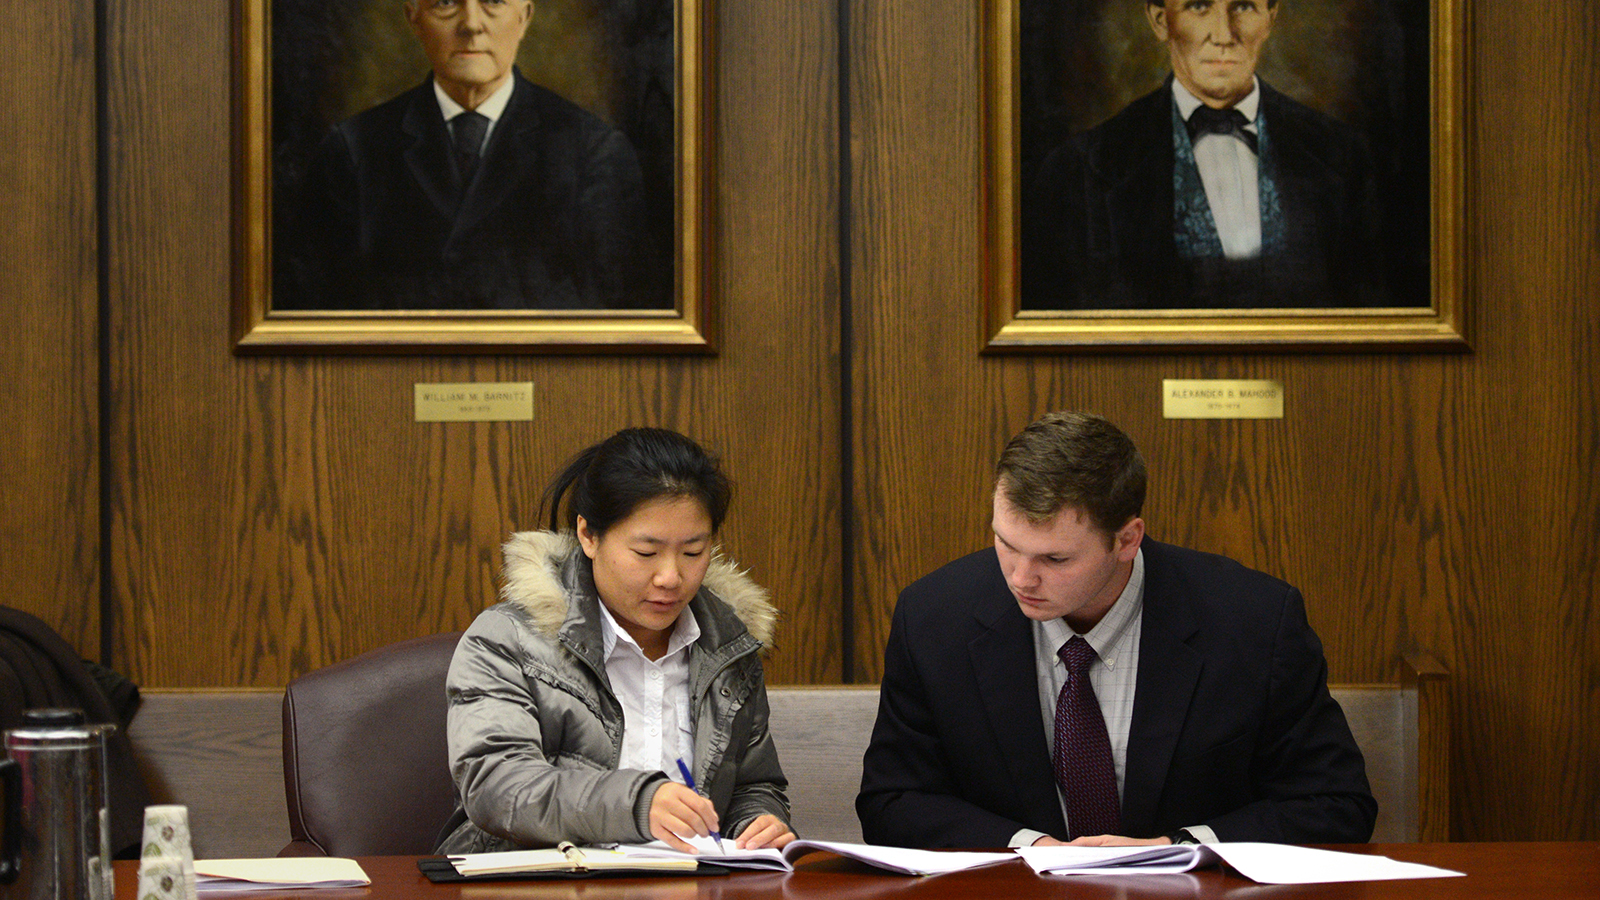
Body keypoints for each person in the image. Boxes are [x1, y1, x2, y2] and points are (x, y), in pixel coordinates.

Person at [857, 411, 1375, 848]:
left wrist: (1180, 848)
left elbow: (1335, 804)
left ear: (1127, 540)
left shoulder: (1254, 620)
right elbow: (892, 801)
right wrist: (1029, 846)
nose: (1020, 579)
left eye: (1055, 558)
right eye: (1006, 544)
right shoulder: (933, 617)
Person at [435, 427, 793, 853]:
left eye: (693, 552)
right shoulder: (509, 640)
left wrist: (759, 822)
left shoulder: (728, 647)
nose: (671, 577)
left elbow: (754, 783)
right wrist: (639, 803)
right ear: (588, 535)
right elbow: (498, 785)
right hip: (536, 881)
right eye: (646, 553)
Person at [276, 0, 668, 311]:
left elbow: (623, 318)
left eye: (493, 1)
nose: (471, 24)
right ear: (413, 18)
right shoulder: (351, 151)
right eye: (446, 3)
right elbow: (313, 315)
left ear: (525, 16)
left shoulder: (593, 154)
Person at [1021, 0, 1384, 309]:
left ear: (1271, 15)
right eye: (1199, 6)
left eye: (1243, 6)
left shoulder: (1344, 156)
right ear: (1161, 20)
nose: (1224, 35)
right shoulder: (1080, 168)